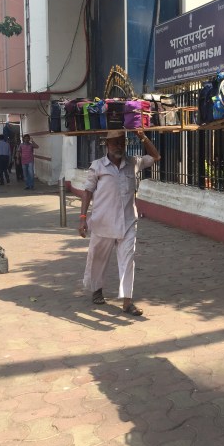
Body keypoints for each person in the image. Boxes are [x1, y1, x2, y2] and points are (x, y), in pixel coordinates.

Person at [79, 129, 160, 315]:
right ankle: (97, 290)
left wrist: (142, 137)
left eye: (122, 142)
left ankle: (127, 301)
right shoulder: (98, 166)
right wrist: (83, 218)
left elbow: (156, 157)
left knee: (127, 260)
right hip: (103, 222)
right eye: (115, 142)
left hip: (128, 222)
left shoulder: (133, 162)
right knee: (97, 258)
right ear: (107, 144)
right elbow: (87, 192)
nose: (119, 146)